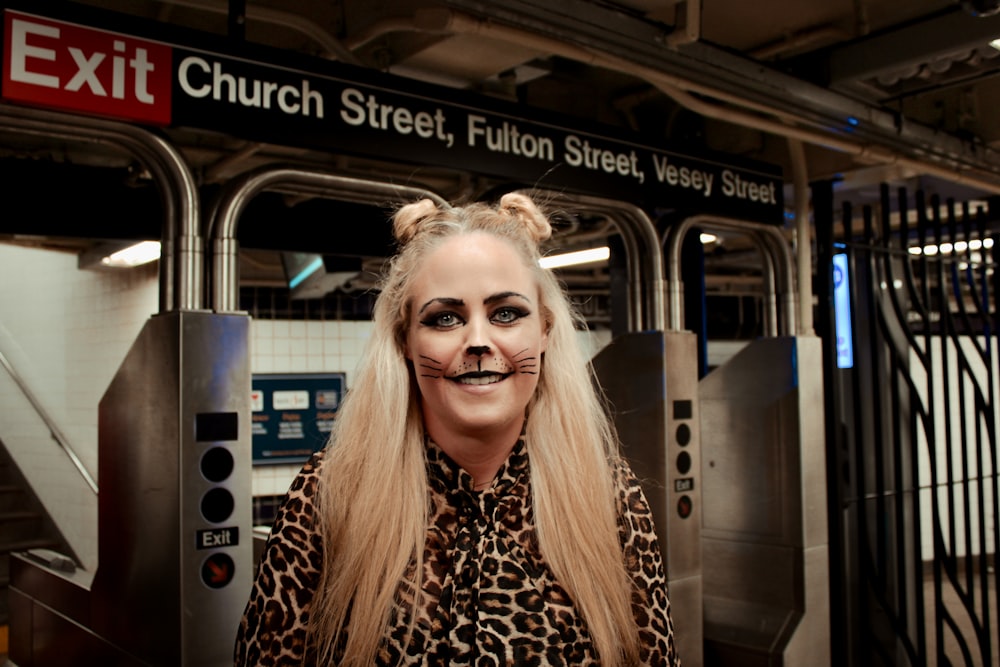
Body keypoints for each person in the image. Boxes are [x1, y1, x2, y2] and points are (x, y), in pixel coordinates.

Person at [234, 193, 680, 666]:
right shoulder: (329, 495)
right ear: (405, 339)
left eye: (507, 313)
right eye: (444, 318)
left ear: (545, 330)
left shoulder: (609, 494)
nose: (479, 342)